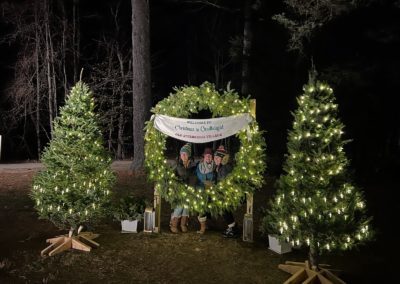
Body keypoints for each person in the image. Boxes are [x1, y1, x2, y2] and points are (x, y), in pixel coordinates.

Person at [170, 143, 196, 233]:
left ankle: (183, 224)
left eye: (185, 154)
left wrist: (191, 188)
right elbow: (172, 177)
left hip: (189, 189)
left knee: (186, 207)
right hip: (179, 190)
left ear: (189, 155)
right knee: (180, 206)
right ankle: (174, 224)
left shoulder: (192, 165)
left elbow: (193, 177)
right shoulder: (176, 164)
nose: (183, 155)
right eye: (182, 154)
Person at [214, 145, 238, 238]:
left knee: (224, 209)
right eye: (214, 157)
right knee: (224, 210)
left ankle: (232, 229)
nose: (215, 159)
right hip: (225, 193)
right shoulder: (221, 166)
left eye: (217, 157)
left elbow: (223, 182)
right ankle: (232, 226)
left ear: (222, 158)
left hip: (227, 194)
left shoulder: (225, 167)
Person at [195, 147, 215, 234]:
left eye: (210, 156)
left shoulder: (215, 166)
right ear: (204, 157)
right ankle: (202, 227)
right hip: (201, 189)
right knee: (201, 207)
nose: (208, 157)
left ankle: (207, 224)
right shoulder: (199, 166)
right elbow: (196, 175)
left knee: (208, 208)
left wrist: (212, 183)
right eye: (207, 156)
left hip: (211, 190)